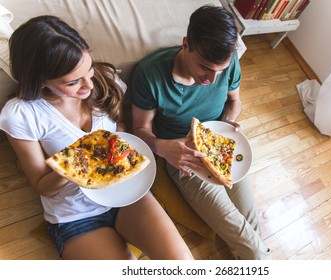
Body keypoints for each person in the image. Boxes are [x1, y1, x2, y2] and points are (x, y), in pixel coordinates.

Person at [0, 15, 193, 260]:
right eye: (72, 83)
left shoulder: (105, 80)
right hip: (76, 216)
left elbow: (120, 122)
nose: (88, 86)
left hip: (126, 194)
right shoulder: (21, 114)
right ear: (41, 81)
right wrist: (78, 161)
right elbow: (42, 186)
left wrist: (122, 143)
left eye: (88, 70)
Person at [130, 5, 272, 260]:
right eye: (205, 67)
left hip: (221, 144)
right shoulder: (150, 74)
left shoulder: (228, 63)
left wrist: (228, 123)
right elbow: (139, 129)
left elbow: (234, 102)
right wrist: (162, 147)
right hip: (184, 157)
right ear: (186, 45)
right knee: (241, 233)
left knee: (249, 219)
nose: (213, 78)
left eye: (221, 70)